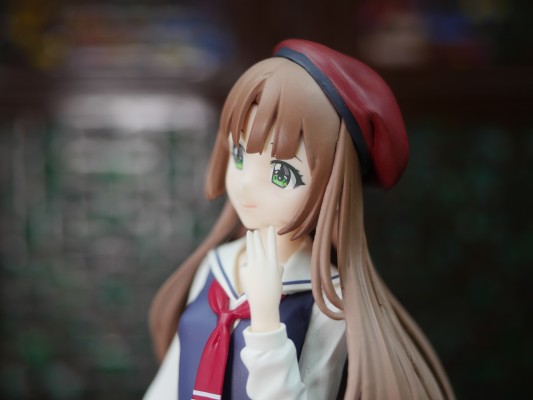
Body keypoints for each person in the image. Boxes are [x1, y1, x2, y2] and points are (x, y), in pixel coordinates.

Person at [144, 39, 455, 399]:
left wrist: (266, 322)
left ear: (333, 187)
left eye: (281, 174)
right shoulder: (217, 265)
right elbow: (174, 374)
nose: (246, 185)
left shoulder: (329, 300)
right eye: (239, 155)